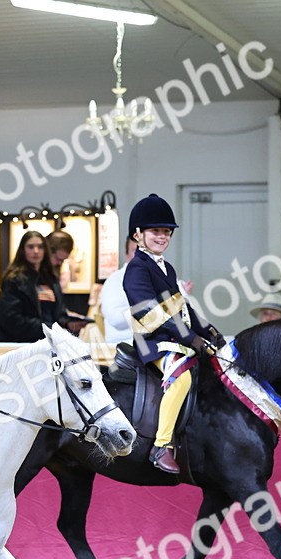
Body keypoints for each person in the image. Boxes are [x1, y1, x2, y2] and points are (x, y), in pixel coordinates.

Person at [123, 193, 223, 474]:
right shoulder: (136, 270)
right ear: (138, 234)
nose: (163, 236)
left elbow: (182, 309)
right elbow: (152, 314)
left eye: (167, 232)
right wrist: (191, 338)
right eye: (156, 231)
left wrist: (211, 332)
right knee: (181, 378)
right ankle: (161, 445)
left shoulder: (166, 268)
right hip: (152, 342)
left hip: (173, 338)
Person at [0, 229, 76, 342]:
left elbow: (58, 313)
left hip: (50, 344)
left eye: (40, 247)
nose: (36, 251)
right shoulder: (14, 280)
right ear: (23, 250)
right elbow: (11, 320)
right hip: (22, 345)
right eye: (30, 247)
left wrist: (67, 323)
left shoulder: (51, 279)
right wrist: (47, 328)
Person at [100, 236, 138, 343]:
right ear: (126, 255)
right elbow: (115, 319)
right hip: (125, 349)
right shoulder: (115, 281)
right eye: (135, 251)